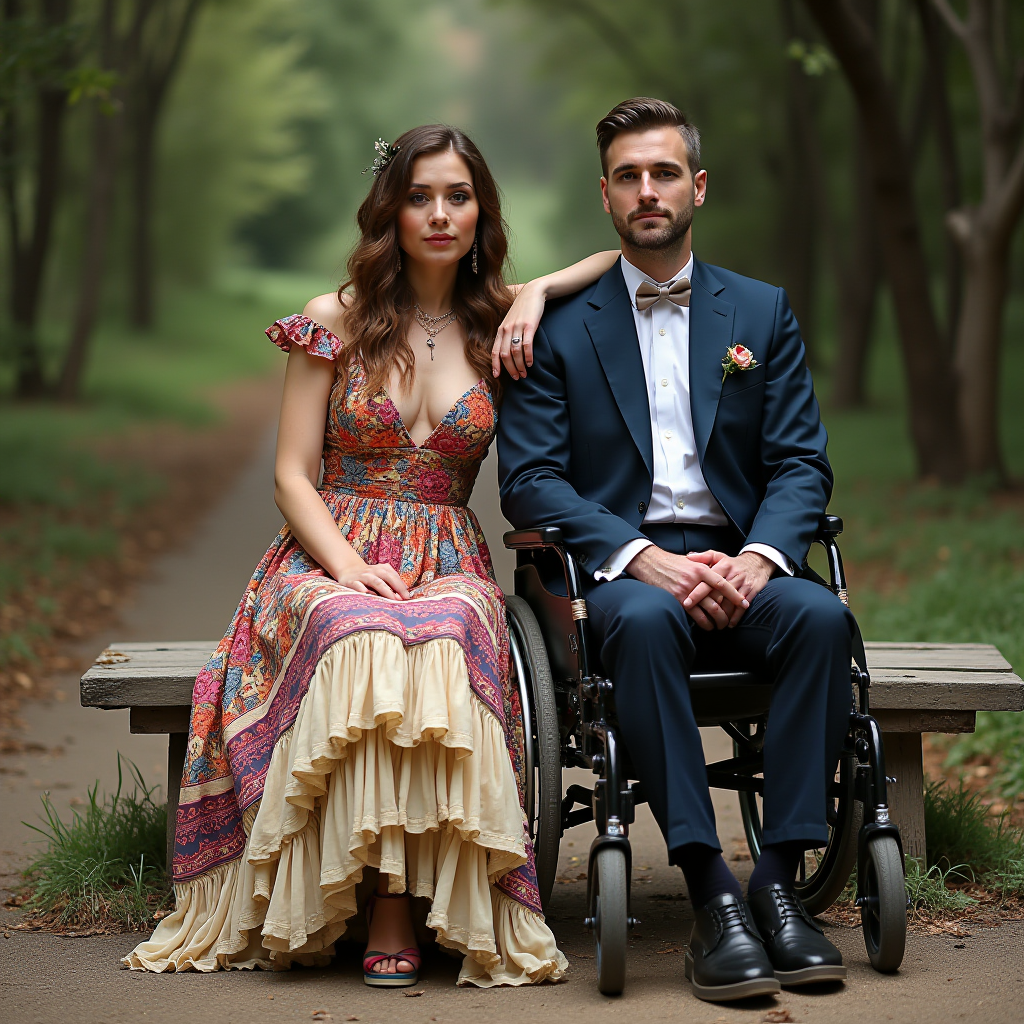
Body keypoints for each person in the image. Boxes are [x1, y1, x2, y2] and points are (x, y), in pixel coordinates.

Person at [124, 124, 618, 987]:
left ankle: (406, 895)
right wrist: (346, 567)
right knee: (361, 635)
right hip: (327, 549)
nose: (438, 213)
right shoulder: (334, 321)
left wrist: (535, 291)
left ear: (480, 213)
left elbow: (619, 260)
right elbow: (289, 476)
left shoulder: (498, 324)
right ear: (390, 208)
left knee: (451, 633)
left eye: (457, 197)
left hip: (446, 554)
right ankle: (380, 896)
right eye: (420, 195)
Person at [496, 97, 854, 1003]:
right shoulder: (555, 329)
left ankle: (777, 886)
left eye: (663, 173)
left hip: (741, 567)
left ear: (696, 186)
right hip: (625, 578)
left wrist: (763, 558)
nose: (647, 191)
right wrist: (638, 555)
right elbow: (531, 481)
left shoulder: (761, 313)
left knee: (820, 619)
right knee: (648, 622)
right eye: (628, 176)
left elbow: (802, 463)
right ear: (606, 197)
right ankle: (711, 895)